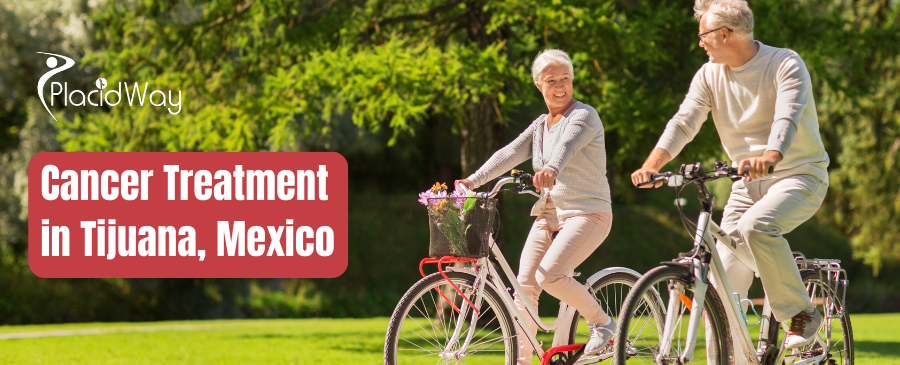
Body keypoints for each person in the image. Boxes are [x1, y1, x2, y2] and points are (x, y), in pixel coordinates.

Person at [631, 0, 829, 359]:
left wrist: (771, 156)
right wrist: (653, 164)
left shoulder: (784, 63)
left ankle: (802, 313)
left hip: (798, 177)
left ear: (725, 33)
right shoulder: (709, 74)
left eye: (703, 34)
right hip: (745, 186)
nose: (699, 42)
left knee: (758, 226)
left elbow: (787, 117)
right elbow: (684, 121)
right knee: (721, 285)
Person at [455, 49, 614, 363]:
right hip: (550, 214)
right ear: (538, 86)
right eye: (551, 80)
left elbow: (567, 146)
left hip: (588, 212)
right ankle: (522, 359)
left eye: (565, 79)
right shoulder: (541, 126)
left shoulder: (584, 115)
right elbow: (509, 153)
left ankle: (602, 323)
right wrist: (472, 181)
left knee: (549, 275)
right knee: (524, 287)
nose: (560, 86)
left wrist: (551, 170)